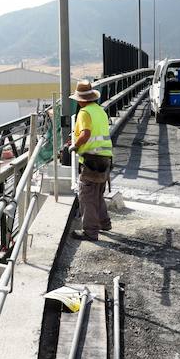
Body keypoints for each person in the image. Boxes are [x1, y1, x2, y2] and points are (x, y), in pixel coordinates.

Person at [69, 80, 113, 241]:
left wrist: (74, 146)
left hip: (91, 160)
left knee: (86, 196)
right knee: (97, 194)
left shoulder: (84, 112)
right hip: (105, 158)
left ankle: (90, 232)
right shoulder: (100, 111)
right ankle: (104, 223)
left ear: (80, 99)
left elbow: (85, 134)